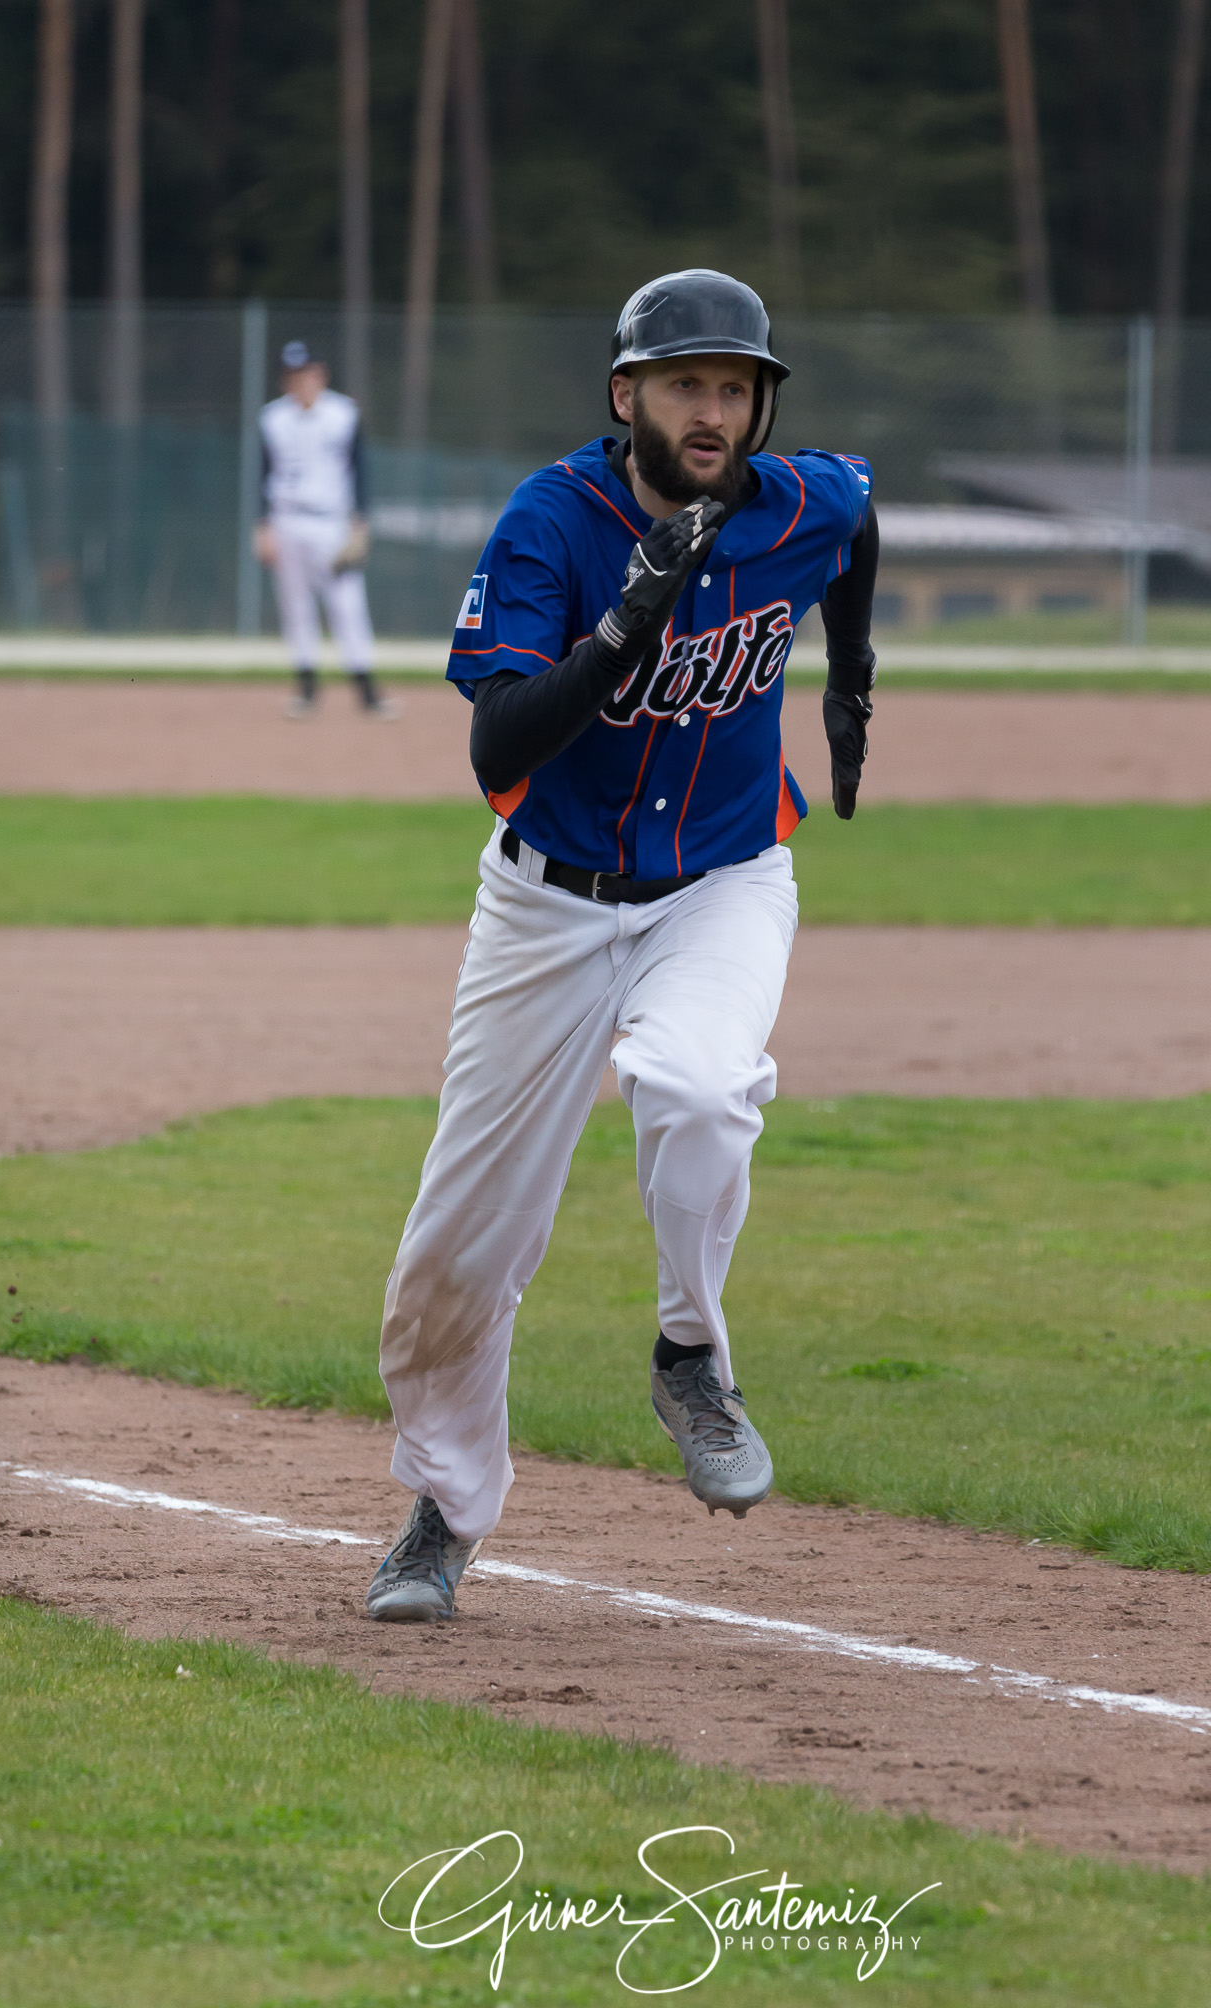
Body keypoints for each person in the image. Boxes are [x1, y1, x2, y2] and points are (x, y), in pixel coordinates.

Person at [365, 268, 878, 1622]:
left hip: (719, 883)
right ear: (625, 396)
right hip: (543, 906)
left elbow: (859, 510)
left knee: (702, 1085)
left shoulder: (793, 504)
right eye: (685, 385)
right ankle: (447, 1508)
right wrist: (617, 631)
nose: (713, 411)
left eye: (734, 387)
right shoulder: (553, 521)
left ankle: (688, 1356)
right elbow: (497, 745)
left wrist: (856, 677)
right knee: (457, 1252)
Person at [253, 339, 397, 719]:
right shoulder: (272, 417)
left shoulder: (343, 413)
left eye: (307, 373)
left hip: (331, 523)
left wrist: (359, 521)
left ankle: (367, 693)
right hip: (285, 520)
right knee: (295, 607)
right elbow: (261, 474)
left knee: (347, 605)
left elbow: (359, 469)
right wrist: (262, 526)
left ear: (321, 374)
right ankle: (306, 691)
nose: (300, 381)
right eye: (293, 375)